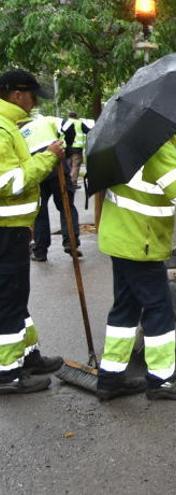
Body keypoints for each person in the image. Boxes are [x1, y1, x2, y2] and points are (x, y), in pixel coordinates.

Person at [96, 102, 176, 401]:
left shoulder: (143, 139)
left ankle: (110, 378)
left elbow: (155, 182)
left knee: (126, 308)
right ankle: (162, 380)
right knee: (159, 308)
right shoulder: (159, 145)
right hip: (141, 241)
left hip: (122, 237)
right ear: (173, 112)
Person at [0, 69, 65, 394]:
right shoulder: (1, 128)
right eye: (32, 96)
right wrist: (47, 160)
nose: (34, 102)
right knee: (9, 299)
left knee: (16, 297)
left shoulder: (9, 126)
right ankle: (7, 373)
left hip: (13, 229)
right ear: (17, 95)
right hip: (4, 230)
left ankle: (29, 357)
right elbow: (8, 181)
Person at [24, 115, 81, 261]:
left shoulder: (17, 130)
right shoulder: (46, 119)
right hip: (56, 163)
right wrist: (67, 148)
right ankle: (70, 241)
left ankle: (40, 250)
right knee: (66, 205)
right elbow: (68, 126)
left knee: (40, 211)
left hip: (36, 167)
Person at [60, 111, 90, 186]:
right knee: (75, 166)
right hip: (76, 148)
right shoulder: (79, 123)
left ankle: (66, 182)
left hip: (66, 148)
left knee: (68, 166)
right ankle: (72, 183)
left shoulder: (64, 122)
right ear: (76, 116)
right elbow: (88, 131)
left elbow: (60, 133)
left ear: (69, 116)